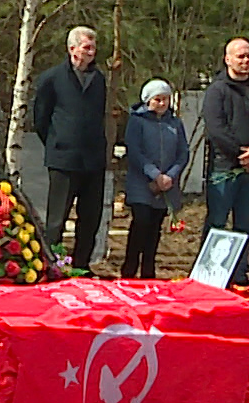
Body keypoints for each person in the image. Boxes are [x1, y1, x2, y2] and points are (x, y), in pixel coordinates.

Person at [31, 26, 110, 271]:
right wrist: (58, 142)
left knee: (90, 219)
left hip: (94, 160)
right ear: (72, 48)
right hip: (64, 159)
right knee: (57, 219)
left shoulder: (98, 79)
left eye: (93, 48)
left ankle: (82, 266)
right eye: (86, 47)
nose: (90, 53)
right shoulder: (52, 78)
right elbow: (41, 119)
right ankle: (53, 265)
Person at [202, 37, 249, 286]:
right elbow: (216, 128)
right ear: (227, 59)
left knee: (245, 224)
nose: (245, 61)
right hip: (224, 169)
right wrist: (240, 154)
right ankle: (211, 273)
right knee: (217, 221)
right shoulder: (217, 90)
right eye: (240, 56)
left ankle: (239, 273)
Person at [121, 79, 188, 279]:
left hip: (166, 184)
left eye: (165, 99)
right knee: (141, 222)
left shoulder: (175, 123)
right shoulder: (137, 121)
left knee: (154, 228)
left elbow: (183, 152)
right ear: (148, 100)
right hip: (141, 183)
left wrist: (170, 176)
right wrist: (154, 174)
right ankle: (129, 268)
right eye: (157, 99)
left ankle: (148, 271)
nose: (161, 104)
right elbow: (134, 151)